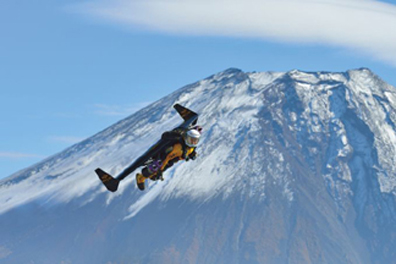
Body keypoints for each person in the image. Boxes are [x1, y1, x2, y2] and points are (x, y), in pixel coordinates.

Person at [135, 126, 202, 191]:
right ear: (187, 138)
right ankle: (141, 178)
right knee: (155, 167)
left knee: (155, 176)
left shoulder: (191, 147)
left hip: (173, 160)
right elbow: (166, 158)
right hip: (165, 157)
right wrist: (160, 170)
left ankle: (150, 175)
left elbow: (189, 151)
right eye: (191, 140)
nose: (193, 143)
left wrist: (192, 154)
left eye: (195, 141)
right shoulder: (178, 148)